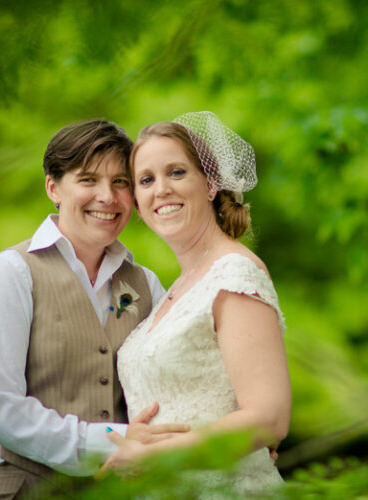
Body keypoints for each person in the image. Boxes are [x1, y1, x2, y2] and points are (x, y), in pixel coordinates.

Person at [0, 119, 187, 499]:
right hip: (27, 488)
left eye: (121, 182)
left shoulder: (146, 284)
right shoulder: (12, 272)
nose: (108, 196)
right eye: (88, 180)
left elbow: (177, 381)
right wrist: (110, 441)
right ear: (53, 187)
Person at [103, 111, 291, 495]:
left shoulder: (234, 275)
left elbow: (269, 419)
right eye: (146, 180)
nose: (162, 189)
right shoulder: (173, 290)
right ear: (137, 203)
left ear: (210, 184)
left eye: (176, 172)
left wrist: (153, 458)